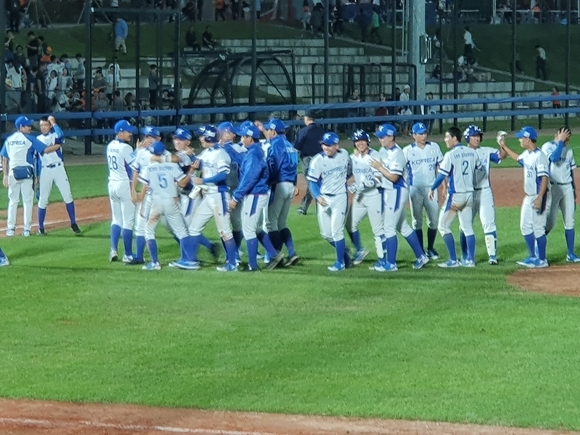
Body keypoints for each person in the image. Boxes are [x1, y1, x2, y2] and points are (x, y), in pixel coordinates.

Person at [370, 124, 429, 271]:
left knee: (388, 228)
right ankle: (422, 256)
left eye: (383, 137)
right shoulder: (383, 150)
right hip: (389, 191)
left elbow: (394, 177)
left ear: (391, 137)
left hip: (397, 191)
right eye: (379, 137)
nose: (380, 139)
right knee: (403, 227)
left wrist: (379, 168)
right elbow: (381, 174)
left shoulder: (397, 154)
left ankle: (391, 264)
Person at [229, 124, 285, 271]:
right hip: (256, 194)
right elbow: (242, 162)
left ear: (250, 138)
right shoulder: (254, 151)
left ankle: (253, 266)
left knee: (248, 230)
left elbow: (250, 178)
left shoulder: (254, 154)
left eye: (244, 136)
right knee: (255, 228)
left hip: (255, 194)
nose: (241, 139)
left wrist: (236, 197)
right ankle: (275, 254)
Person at [188, 125, 239, 272]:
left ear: (208, 137)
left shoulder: (221, 154)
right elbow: (198, 163)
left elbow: (222, 175)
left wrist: (203, 180)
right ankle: (190, 260)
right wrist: (190, 155)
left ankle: (233, 263)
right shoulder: (207, 152)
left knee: (225, 231)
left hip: (219, 195)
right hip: (209, 196)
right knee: (194, 228)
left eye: (202, 136)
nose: (200, 139)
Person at [498, 126, 550, 268]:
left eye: (521, 138)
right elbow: (518, 158)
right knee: (525, 226)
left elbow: (544, 178)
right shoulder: (527, 154)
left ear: (528, 139)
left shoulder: (540, 156)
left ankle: (542, 260)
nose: (519, 140)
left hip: (539, 195)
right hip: (529, 197)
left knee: (538, 228)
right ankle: (533, 256)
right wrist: (503, 146)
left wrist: (540, 197)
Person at [138, 141, 195, 271]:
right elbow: (182, 183)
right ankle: (189, 259)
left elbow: (145, 187)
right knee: (181, 231)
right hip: (171, 201)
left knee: (149, 231)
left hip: (156, 202)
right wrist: (192, 170)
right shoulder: (172, 166)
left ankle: (155, 263)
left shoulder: (148, 168)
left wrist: (142, 205)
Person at [1, 116, 61, 237]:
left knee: (13, 201)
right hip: (27, 174)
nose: (30, 127)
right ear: (21, 127)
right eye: (27, 126)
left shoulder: (9, 139)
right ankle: (26, 229)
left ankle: (10, 229)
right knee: (27, 201)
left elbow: (4, 158)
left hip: (13, 174)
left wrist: (5, 175)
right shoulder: (30, 139)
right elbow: (46, 150)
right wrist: (58, 145)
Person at [428, 126, 479, 268]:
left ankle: (453, 260)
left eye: (447, 137)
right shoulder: (472, 152)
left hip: (456, 196)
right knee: (467, 227)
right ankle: (470, 260)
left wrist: (432, 188)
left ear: (454, 138)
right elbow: (478, 168)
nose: (445, 140)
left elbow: (441, 176)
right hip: (469, 195)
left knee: (443, 226)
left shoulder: (450, 155)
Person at [306, 132, 352, 271]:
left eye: (329, 145)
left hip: (340, 197)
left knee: (337, 231)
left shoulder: (344, 154)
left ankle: (340, 263)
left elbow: (349, 171)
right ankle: (345, 255)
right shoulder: (317, 160)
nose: (325, 147)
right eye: (324, 144)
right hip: (324, 198)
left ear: (337, 146)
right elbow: (312, 182)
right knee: (326, 234)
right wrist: (317, 196)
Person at [403, 122, 444, 259]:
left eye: (425, 133)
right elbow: (403, 172)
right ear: (414, 135)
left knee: (434, 220)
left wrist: (444, 186)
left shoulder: (434, 147)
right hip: (415, 189)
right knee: (417, 220)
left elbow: (441, 168)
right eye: (420, 133)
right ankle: (420, 251)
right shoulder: (407, 151)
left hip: (432, 188)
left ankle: (430, 248)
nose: (424, 136)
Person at [35, 116, 81, 236]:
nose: (43, 127)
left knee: (67, 196)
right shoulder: (37, 139)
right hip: (45, 170)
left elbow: (61, 136)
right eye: (41, 125)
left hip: (59, 168)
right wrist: (37, 176)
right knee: (43, 200)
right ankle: (40, 228)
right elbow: (38, 159)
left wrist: (54, 123)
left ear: (50, 126)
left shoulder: (55, 134)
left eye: (45, 125)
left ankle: (73, 223)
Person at [264, 118, 300, 267]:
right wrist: (295, 183)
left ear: (273, 131)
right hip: (290, 184)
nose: (267, 132)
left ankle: (276, 256)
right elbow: (295, 165)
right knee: (282, 223)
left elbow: (274, 163)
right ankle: (292, 252)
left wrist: (268, 180)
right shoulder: (289, 144)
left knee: (271, 223)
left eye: (268, 129)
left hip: (279, 184)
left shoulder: (276, 144)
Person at [541, 127, 580, 263]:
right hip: (553, 188)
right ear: (556, 134)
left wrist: (574, 190)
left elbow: (571, 171)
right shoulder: (547, 146)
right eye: (564, 137)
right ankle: (538, 248)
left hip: (567, 187)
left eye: (568, 138)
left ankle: (570, 253)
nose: (566, 141)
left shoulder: (569, 150)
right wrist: (560, 142)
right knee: (550, 222)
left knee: (570, 221)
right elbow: (554, 158)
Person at [462, 125, 500, 265]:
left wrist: (502, 144)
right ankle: (465, 255)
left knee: (489, 222)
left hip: (484, 191)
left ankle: (492, 256)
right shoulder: (461, 153)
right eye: (474, 136)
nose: (477, 138)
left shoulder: (486, 151)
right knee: (465, 224)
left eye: (478, 136)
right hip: (467, 192)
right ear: (467, 138)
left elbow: (500, 156)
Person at [346, 130, 383, 265]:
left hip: (374, 196)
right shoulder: (353, 157)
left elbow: (379, 179)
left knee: (378, 229)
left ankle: (383, 259)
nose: (360, 143)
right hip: (360, 197)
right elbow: (347, 173)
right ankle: (360, 250)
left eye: (362, 140)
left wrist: (361, 185)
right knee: (350, 224)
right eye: (357, 141)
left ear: (367, 142)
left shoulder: (375, 155)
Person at [129, 126, 162, 265]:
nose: (148, 139)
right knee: (140, 225)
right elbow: (135, 171)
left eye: (151, 137)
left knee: (174, 227)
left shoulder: (161, 155)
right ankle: (139, 256)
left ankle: (190, 254)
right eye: (146, 136)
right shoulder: (141, 153)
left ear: (158, 139)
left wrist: (140, 195)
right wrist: (132, 190)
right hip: (147, 195)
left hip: (158, 196)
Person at [106, 119, 137, 263]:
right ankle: (128, 254)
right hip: (124, 184)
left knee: (116, 219)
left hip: (112, 184)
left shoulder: (110, 145)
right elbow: (133, 167)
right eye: (127, 131)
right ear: (120, 132)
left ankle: (113, 249)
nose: (130, 134)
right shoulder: (126, 148)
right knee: (128, 222)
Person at [294, 109, 324, 215]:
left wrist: (294, 161)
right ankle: (306, 207)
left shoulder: (303, 131)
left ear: (306, 119)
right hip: (321, 160)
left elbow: (297, 148)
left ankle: (317, 208)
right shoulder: (322, 131)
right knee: (317, 183)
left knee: (312, 183)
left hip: (308, 160)